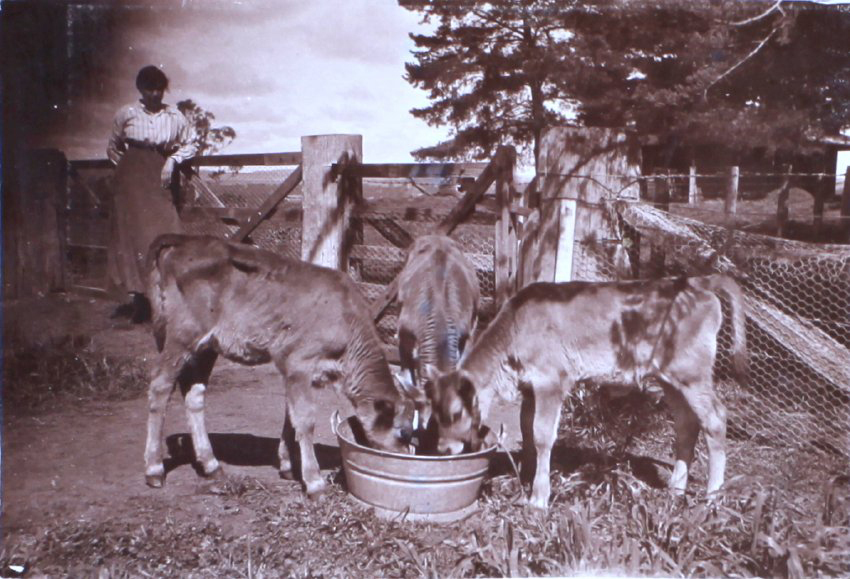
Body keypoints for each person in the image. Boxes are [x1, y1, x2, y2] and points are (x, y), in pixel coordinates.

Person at [106, 65, 198, 323]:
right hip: (130, 181)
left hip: (160, 175)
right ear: (140, 89)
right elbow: (113, 147)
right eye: (149, 89)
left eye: (159, 88)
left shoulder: (175, 116)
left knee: (165, 233)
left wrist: (172, 161)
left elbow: (192, 142)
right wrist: (125, 171)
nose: (155, 94)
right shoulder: (126, 113)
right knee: (132, 239)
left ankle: (171, 302)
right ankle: (141, 303)